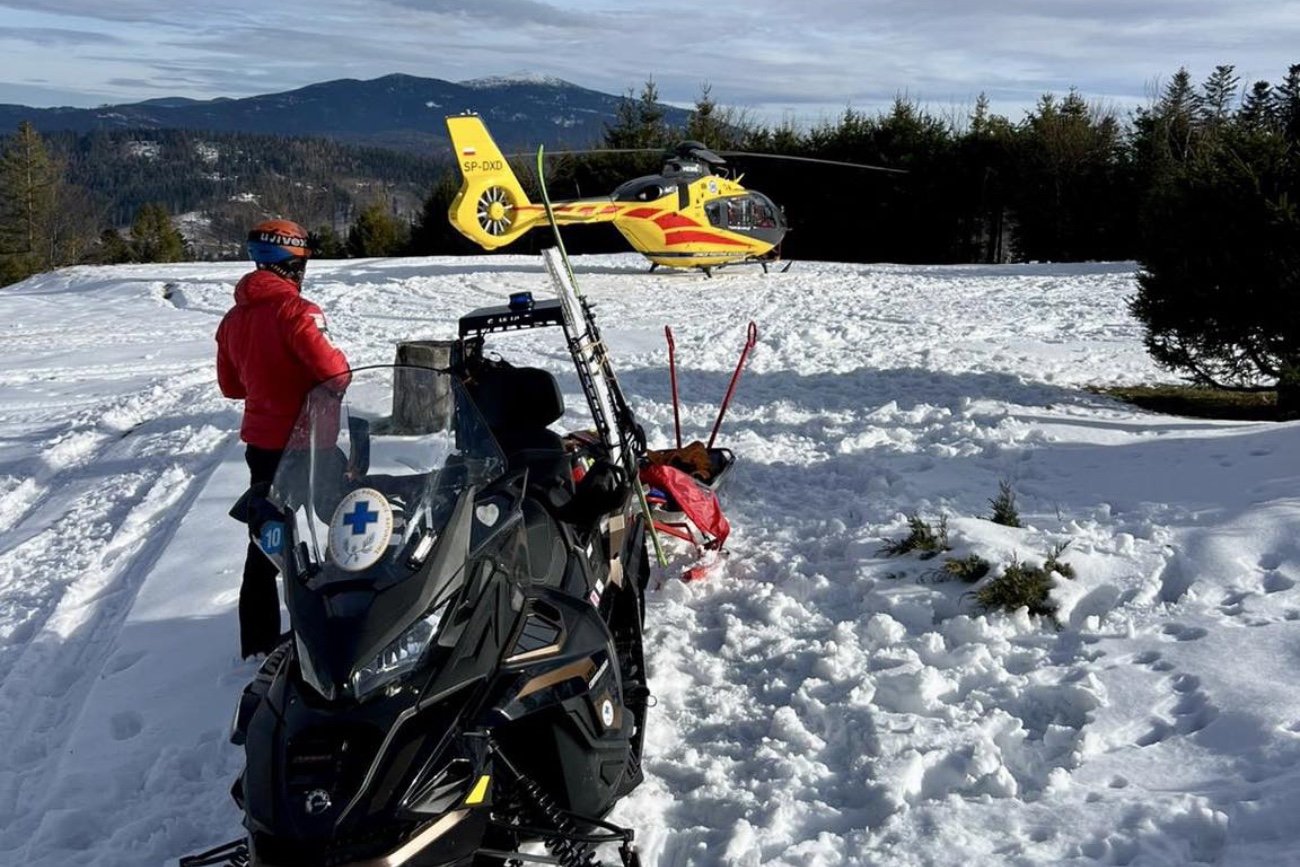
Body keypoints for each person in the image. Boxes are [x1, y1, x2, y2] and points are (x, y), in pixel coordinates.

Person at [216, 219, 350, 658]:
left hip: (262, 445)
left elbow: (232, 387)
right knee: (346, 526)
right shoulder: (299, 311)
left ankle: (256, 643)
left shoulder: (233, 319)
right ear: (293, 263)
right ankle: (348, 620)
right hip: (310, 442)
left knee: (267, 540)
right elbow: (335, 373)